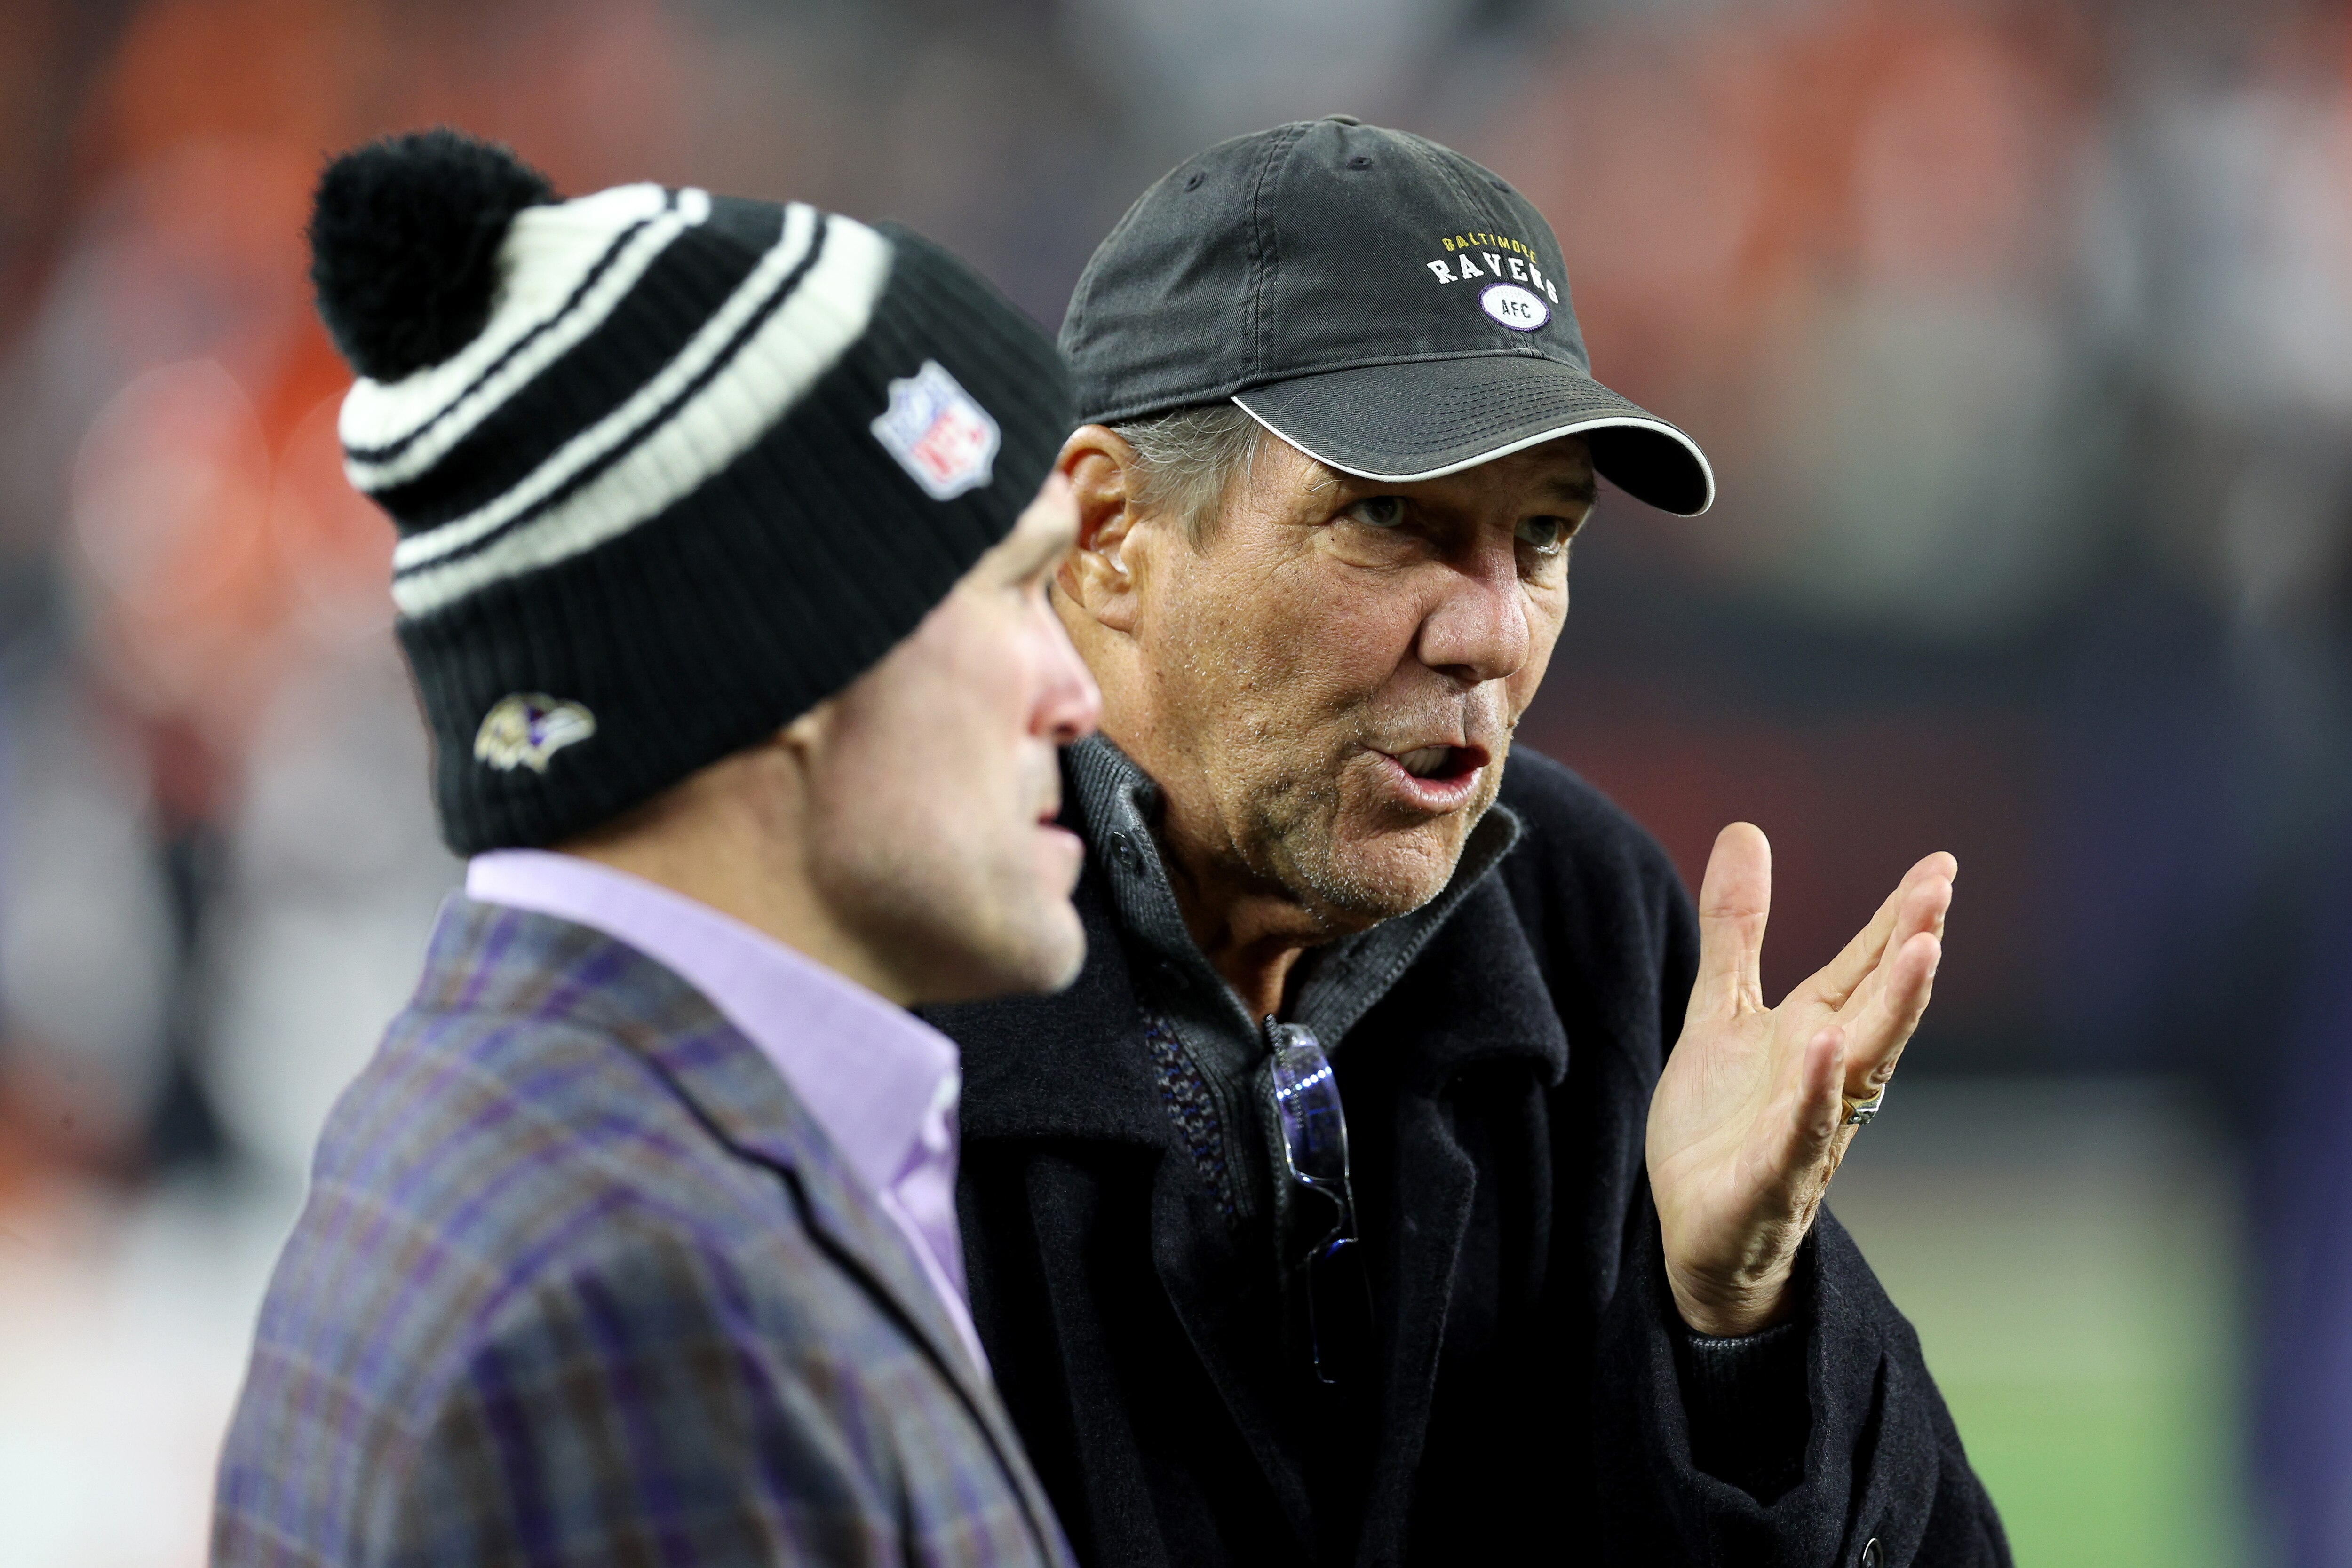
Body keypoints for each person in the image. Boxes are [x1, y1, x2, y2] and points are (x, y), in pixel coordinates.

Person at [927, 118, 2010, 1565]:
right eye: (1386, 519)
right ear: (1109, 530)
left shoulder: (1590, 926)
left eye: (1545, 538)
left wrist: (1734, 1321)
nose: (1492, 629)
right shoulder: (883, 942)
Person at [212, 129, 1097, 1565]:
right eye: (1018, 588)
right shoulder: (648, 1295)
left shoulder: (531, 1129)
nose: (1080, 694)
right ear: (788, 649)